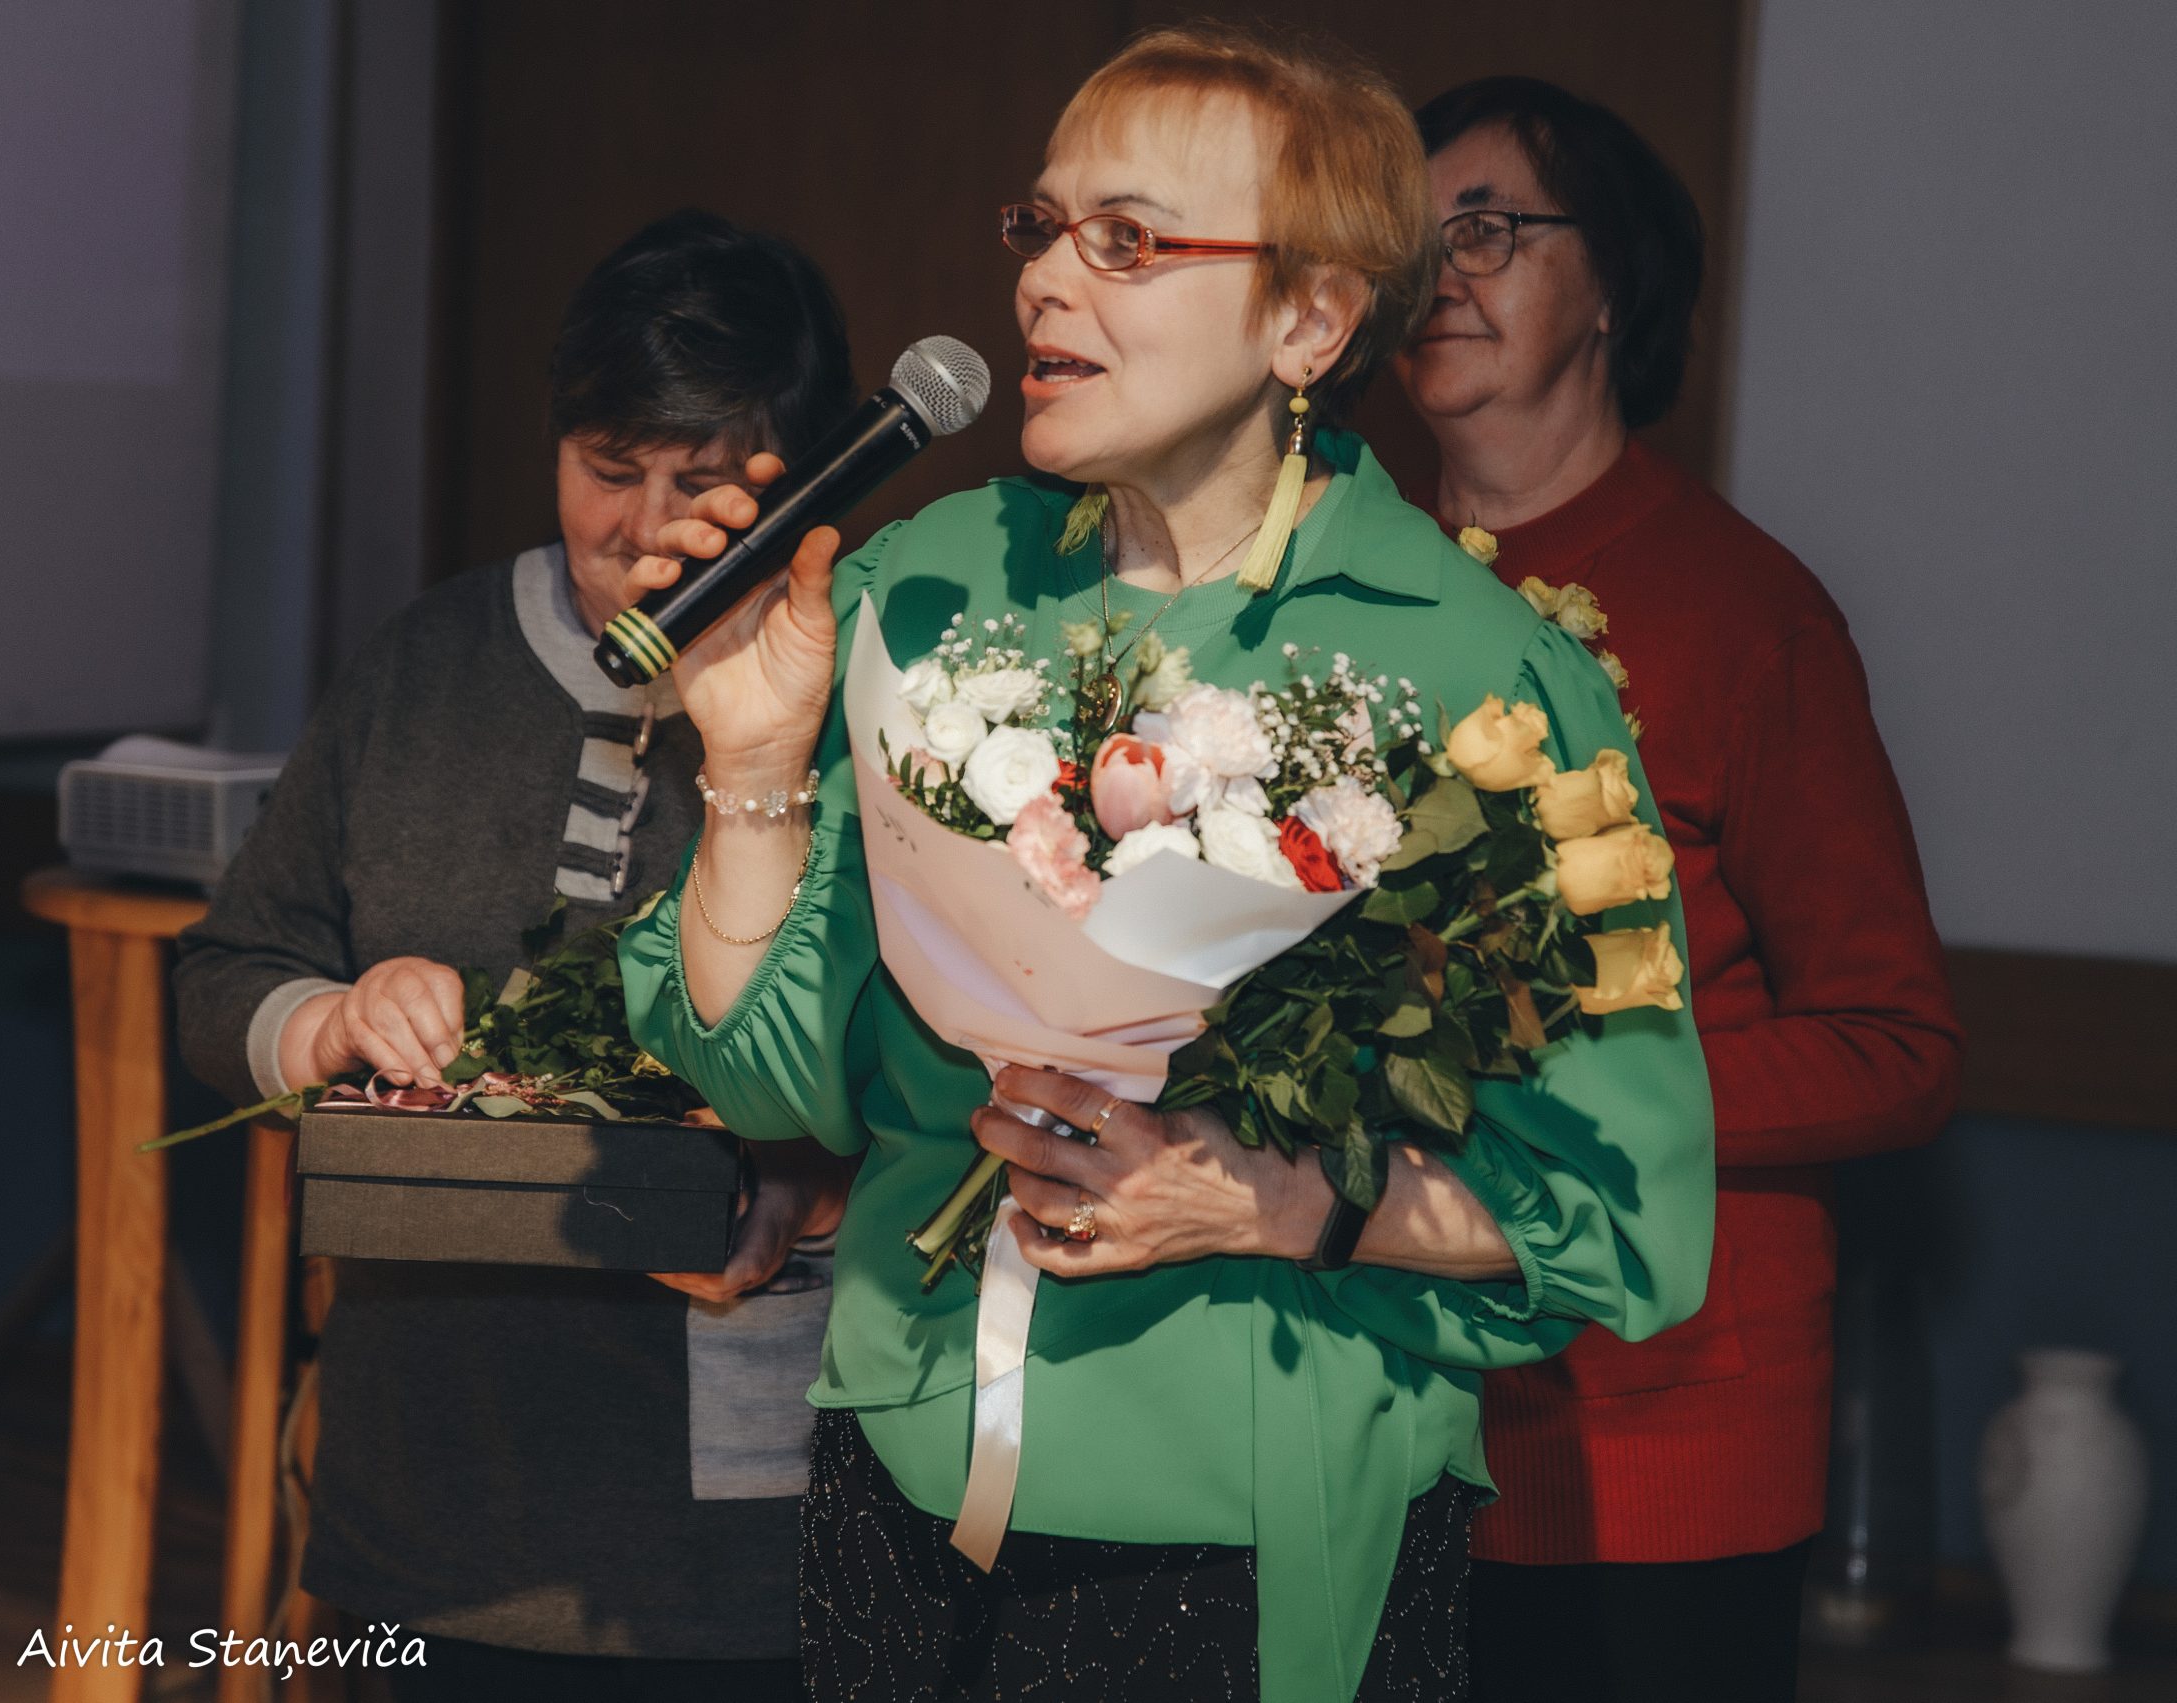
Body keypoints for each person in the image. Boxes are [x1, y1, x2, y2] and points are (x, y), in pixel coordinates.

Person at [612, 27, 1715, 1703]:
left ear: (1310, 320)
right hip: (900, 1463)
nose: (1047, 282)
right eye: (1042, 228)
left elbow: (1625, 1217)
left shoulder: (1485, 679)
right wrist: (755, 769)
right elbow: (765, 1080)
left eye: (1126, 240)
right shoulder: (923, 585)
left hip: (1245, 1513)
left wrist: (1293, 1202)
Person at [175, 210, 858, 1703]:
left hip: (738, 1542)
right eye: (607, 468)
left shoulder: (871, 692)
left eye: (699, 480)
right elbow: (225, 975)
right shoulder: (427, 665)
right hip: (431, 1501)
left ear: (799, 479)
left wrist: (818, 1172)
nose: (642, 526)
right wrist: (334, 1020)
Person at [1394, 77, 1964, 1703]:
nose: (1440, 275)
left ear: (1615, 289)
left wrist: (1576, 1095)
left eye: (1490, 231)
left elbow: (1897, 1046)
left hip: (1658, 1431)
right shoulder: (1336, 589)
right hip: (1382, 1395)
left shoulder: (1746, 613)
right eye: (1409, 241)